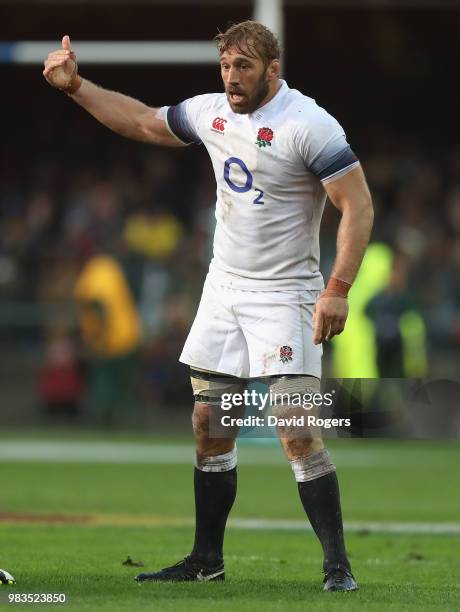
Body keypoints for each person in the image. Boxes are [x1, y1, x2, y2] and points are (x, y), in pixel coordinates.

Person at [43, 21, 374, 591]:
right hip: (224, 288)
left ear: (273, 69)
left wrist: (337, 289)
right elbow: (145, 122)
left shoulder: (308, 124)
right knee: (208, 425)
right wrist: (77, 87)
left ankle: (338, 567)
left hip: (287, 291)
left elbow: (358, 207)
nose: (231, 78)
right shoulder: (211, 112)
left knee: (295, 427)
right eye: (225, 66)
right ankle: (206, 559)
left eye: (243, 67)